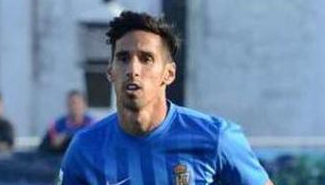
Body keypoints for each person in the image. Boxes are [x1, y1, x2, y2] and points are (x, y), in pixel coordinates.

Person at [59, 11, 273, 185]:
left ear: (168, 74)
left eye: (146, 59)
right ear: (110, 72)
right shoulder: (85, 148)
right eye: (123, 58)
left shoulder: (216, 137)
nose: (133, 69)